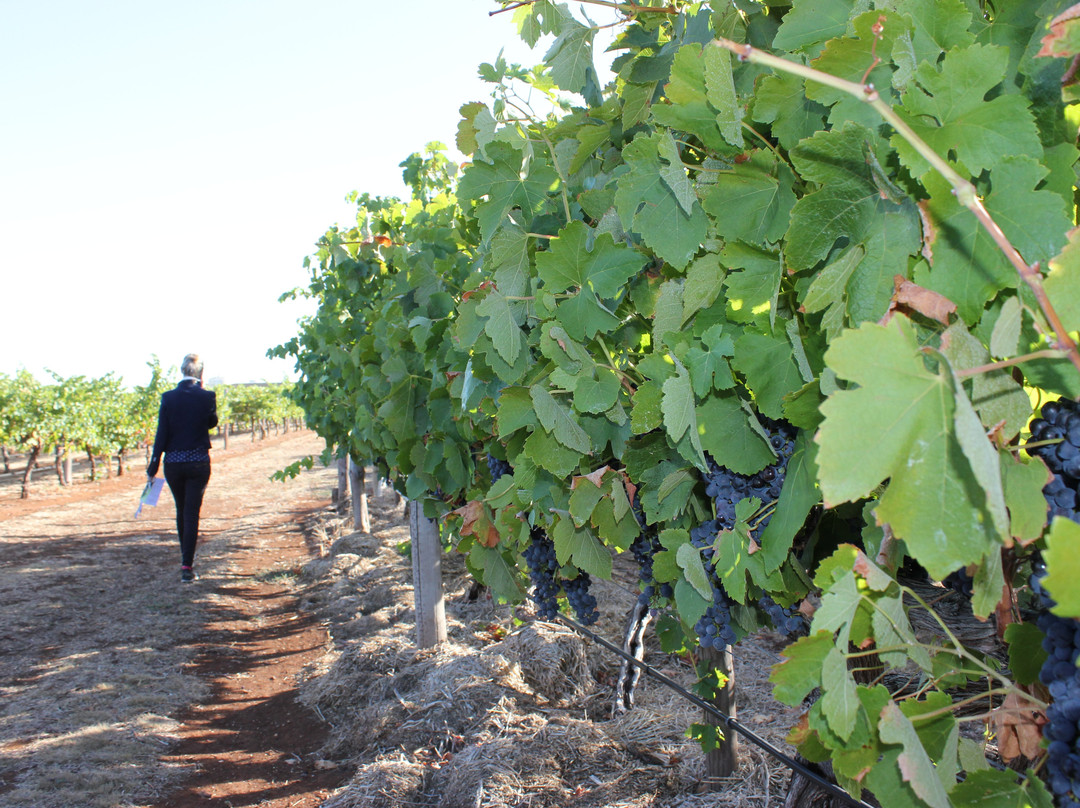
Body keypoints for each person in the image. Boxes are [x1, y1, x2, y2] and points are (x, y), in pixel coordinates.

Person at [146, 353, 218, 583]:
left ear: (181, 371)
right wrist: (204, 396)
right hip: (198, 461)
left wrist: (153, 466)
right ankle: (187, 565)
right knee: (192, 512)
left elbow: (162, 433)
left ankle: (184, 560)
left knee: (181, 509)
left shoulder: (168, 398)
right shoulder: (207, 396)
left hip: (174, 464)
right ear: (200, 373)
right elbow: (212, 423)